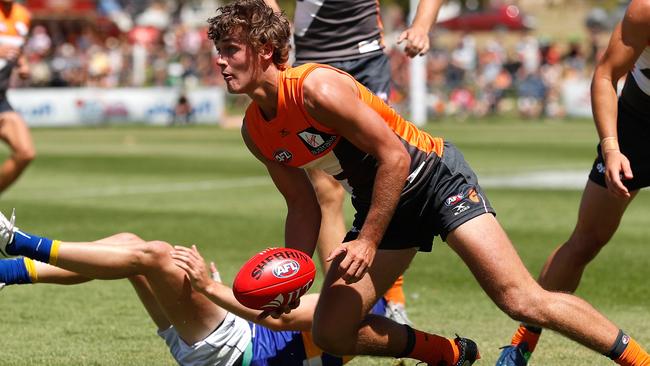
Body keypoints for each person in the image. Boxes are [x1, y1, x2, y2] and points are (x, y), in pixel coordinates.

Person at [202, 1, 650, 365]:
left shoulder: (317, 88)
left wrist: (369, 241)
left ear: (264, 49)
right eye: (218, 49)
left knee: (521, 300)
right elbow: (302, 206)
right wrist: (292, 273)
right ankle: (451, 354)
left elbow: (394, 157)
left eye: (231, 49)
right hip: (386, 201)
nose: (220, 61)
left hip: (433, 177)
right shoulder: (253, 130)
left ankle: (639, 360)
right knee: (332, 331)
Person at [262, 0, 445, 324]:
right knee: (325, 191)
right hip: (310, 64)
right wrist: (275, 23)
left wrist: (421, 25)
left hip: (365, 59)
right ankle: (345, 297)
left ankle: (393, 299)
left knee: (385, 170)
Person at [0, 219, 389, 365]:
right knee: (128, 244)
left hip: (236, 351)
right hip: (228, 342)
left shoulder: (349, 308)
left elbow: (282, 317)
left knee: (152, 255)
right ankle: (8, 273)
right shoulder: (361, 296)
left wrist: (207, 285)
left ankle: (20, 242)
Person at [497, 1, 650, 365]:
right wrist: (612, 149)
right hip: (638, 126)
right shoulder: (645, 10)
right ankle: (524, 339)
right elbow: (605, 75)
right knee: (586, 240)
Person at [0, 0, 36, 194]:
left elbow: (17, 48)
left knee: (25, 152)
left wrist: (22, 64)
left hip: (1, 98)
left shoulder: (23, 14)